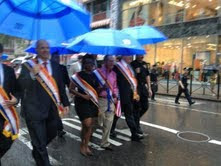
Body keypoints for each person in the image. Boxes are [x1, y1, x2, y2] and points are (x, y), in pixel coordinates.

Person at [18, 40, 70, 166]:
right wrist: (32, 75)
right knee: (41, 143)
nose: (45, 50)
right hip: (34, 110)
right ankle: (42, 156)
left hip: (52, 109)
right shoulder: (27, 66)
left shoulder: (56, 66)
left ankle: (37, 149)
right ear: (36, 50)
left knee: (51, 134)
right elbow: (20, 85)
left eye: (47, 48)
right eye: (42, 48)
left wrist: (66, 103)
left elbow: (61, 86)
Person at [69, 56, 100, 156]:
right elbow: (71, 89)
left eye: (91, 63)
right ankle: (82, 145)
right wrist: (83, 95)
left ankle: (86, 145)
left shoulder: (96, 75)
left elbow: (97, 89)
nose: (90, 65)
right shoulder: (78, 75)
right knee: (86, 124)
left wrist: (103, 88)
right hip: (81, 102)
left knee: (90, 125)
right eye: (87, 63)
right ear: (84, 64)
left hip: (93, 102)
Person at [110, 56, 143, 142]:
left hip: (130, 95)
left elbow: (134, 80)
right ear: (123, 56)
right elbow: (113, 81)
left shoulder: (130, 67)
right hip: (121, 95)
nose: (130, 57)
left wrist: (136, 93)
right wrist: (115, 95)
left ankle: (133, 134)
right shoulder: (116, 67)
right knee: (120, 114)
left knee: (126, 114)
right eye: (128, 55)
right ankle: (133, 134)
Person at [0, 43, 19, 166]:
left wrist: (16, 99)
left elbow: (17, 89)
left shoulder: (9, 70)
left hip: (5, 114)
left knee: (7, 141)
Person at [94, 56, 118, 150]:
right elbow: (93, 88)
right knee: (98, 122)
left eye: (114, 61)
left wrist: (115, 95)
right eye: (110, 61)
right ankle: (87, 132)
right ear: (105, 61)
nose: (112, 63)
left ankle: (105, 143)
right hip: (100, 100)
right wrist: (101, 88)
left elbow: (115, 87)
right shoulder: (97, 72)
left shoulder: (114, 74)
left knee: (108, 122)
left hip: (110, 100)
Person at [131, 55, 152, 135]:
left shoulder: (145, 64)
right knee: (136, 107)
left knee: (145, 106)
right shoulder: (132, 64)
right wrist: (135, 72)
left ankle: (135, 120)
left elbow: (147, 76)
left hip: (143, 88)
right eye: (140, 55)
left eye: (142, 55)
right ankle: (137, 125)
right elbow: (129, 76)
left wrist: (149, 88)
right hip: (136, 88)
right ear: (136, 55)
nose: (142, 56)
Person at [51, 51, 70, 137]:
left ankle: (59, 129)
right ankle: (59, 129)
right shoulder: (47, 68)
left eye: (58, 57)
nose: (57, 59)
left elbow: (67, 81)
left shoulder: (62, 68)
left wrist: (70, 90)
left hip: (60, 94)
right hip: (50, 93)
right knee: (55, 112)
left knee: (57, 111)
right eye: (55, 57)